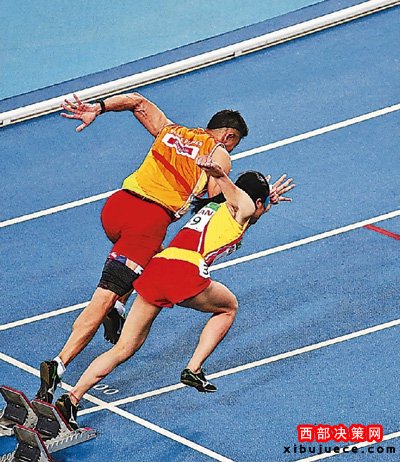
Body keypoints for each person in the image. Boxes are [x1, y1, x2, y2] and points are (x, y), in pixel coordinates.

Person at [36, 92, 250, 404]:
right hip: (147, 221)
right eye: (235, 144)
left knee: (157, 259)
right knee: (104, 296)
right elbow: (218, 197)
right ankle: (59, 363)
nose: (232, 150)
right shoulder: (219, 153)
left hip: (117, 208)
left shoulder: (170, 129)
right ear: (229, 135)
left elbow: (137, 101)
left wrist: (99, 108)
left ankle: (119, 307)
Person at [52, 156, 295, 428]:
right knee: (229, 308)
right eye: (263, 203)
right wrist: (220, 175)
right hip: (185, 271)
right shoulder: (244, 206)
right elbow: (247, 205)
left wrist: (264, 201)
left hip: (158, 267)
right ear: (256, 201)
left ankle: (71, 399)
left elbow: (246, 209)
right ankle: (193, 368)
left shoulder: (216, 206)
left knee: (124, 348)